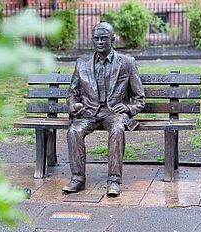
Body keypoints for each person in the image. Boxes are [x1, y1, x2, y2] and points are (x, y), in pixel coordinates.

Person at [62, 22, 145, 197]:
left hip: (114, 113)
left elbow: (140, 99)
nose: (99, 42)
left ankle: (114, 180)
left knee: (117, 129)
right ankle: (78, 179)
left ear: (113, 39)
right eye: (96, 39)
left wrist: (128, 108)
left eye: (104, 38)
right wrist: (74, 105)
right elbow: (72, 93)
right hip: (89, 112)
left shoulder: (127, 63)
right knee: (73, 131)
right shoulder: (81, 64)